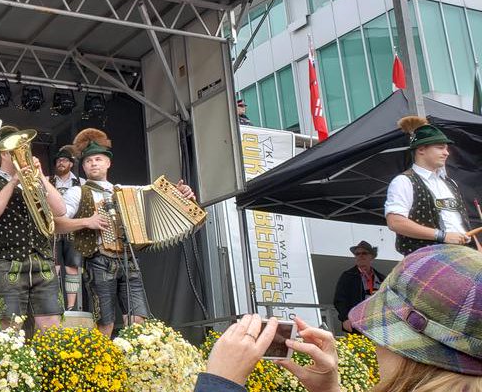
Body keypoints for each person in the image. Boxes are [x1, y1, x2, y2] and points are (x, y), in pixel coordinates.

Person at [199, 244, 482, 392]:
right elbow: (341, 300)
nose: (374, 344)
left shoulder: (378, 277)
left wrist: (220, 382)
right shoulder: (349, 276)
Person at [55, 128, 195, 337]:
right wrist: (87, 221)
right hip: (99, 260)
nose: (94, 163)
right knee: (105, 323)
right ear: (83, 166)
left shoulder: (124, 190)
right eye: (89, 160)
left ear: (108, 163)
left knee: (137, 320)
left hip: (129, 259)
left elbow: (155, 194)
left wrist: (180, 193)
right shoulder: (78, 192)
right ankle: (105, 367)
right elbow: (56, 224)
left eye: (98, 159)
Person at [0, 125, 67, 330]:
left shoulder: (36, 181)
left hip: (41, 261)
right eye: (13, 149)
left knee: (52, 328)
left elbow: (60, 210)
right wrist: (14, 181)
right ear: (2, 153)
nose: (20, 153)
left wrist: (41, 176)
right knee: (11, 329)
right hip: (6, 264)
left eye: (24, 147)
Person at [385, 116, 475, 255]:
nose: (446, 153)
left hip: (463, 255)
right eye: (440, 148)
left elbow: (460, 224)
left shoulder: (450, 183)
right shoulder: (403, 181)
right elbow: (395, 222)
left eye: (446, 148)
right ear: (421, 149)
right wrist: (442, 235)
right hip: (427, 259)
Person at [49, 145, 83, 310]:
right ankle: (55, 302)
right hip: (52, 230)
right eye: (59, 160)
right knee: (53, 266)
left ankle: (70, 306)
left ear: (71, 163)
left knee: (72, 267)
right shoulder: (47, 180)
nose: (61, 163)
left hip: (73, 230)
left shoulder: (82, 183)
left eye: (65, 160)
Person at [333, 240, 385, 334]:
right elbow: (340, 300)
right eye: (357, 254)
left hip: (378, 324)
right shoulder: (348, 275)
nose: (360, 256)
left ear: (372, 256)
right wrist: (345, 319)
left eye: (364, 253)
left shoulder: (382, 278)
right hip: (355, 324)